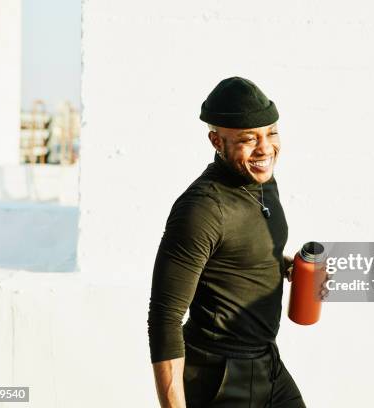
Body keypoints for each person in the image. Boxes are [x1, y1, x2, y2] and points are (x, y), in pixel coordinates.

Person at [148, 77, 306, 407]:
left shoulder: (261, 181)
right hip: (219, 376)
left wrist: (281, 264)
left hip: (268, 362)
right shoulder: (202, 208)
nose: (265, 148)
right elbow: (164, 318)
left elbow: (235, 251)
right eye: (249, 139)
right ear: (216, 141)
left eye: (271, 133)